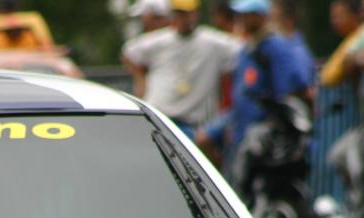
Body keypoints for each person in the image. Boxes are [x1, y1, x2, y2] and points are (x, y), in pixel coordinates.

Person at [198, 0, 310, 170]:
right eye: (240, 14)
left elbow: (287, 95)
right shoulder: (246, 49)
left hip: (264, 137)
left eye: (247, 14)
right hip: (240, 131)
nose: (241, 18)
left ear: (261, 16)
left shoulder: (276, 47)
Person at [122, 0, 240, 138]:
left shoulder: (212, 42)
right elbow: (128, 53)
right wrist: (141, 81)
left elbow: (242, 50)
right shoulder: (160, 40)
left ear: (196, 14)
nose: (185, 18)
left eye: (188, 13)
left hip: (193, 124)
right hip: (159, 119)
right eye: (180, 13)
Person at [270, 0, 315, 97]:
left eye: (273, 18)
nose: (269, 25)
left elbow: (304, 88)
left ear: (288, 20)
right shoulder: (277, 48)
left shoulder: (296, 51)